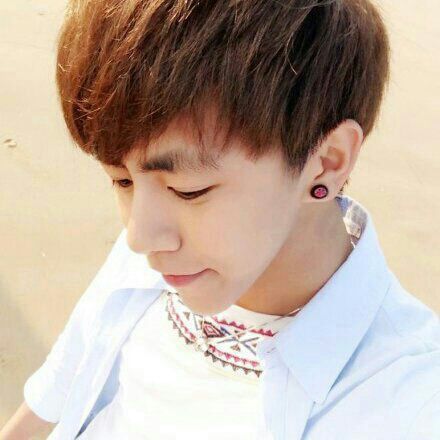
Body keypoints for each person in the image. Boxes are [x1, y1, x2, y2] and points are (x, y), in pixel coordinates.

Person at [1, 0, 439, 438]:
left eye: (189, 190)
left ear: (327, 161)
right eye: (120, 180)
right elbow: (54, 393)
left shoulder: (406, 404)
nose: (138, 237)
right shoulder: (173, 250)